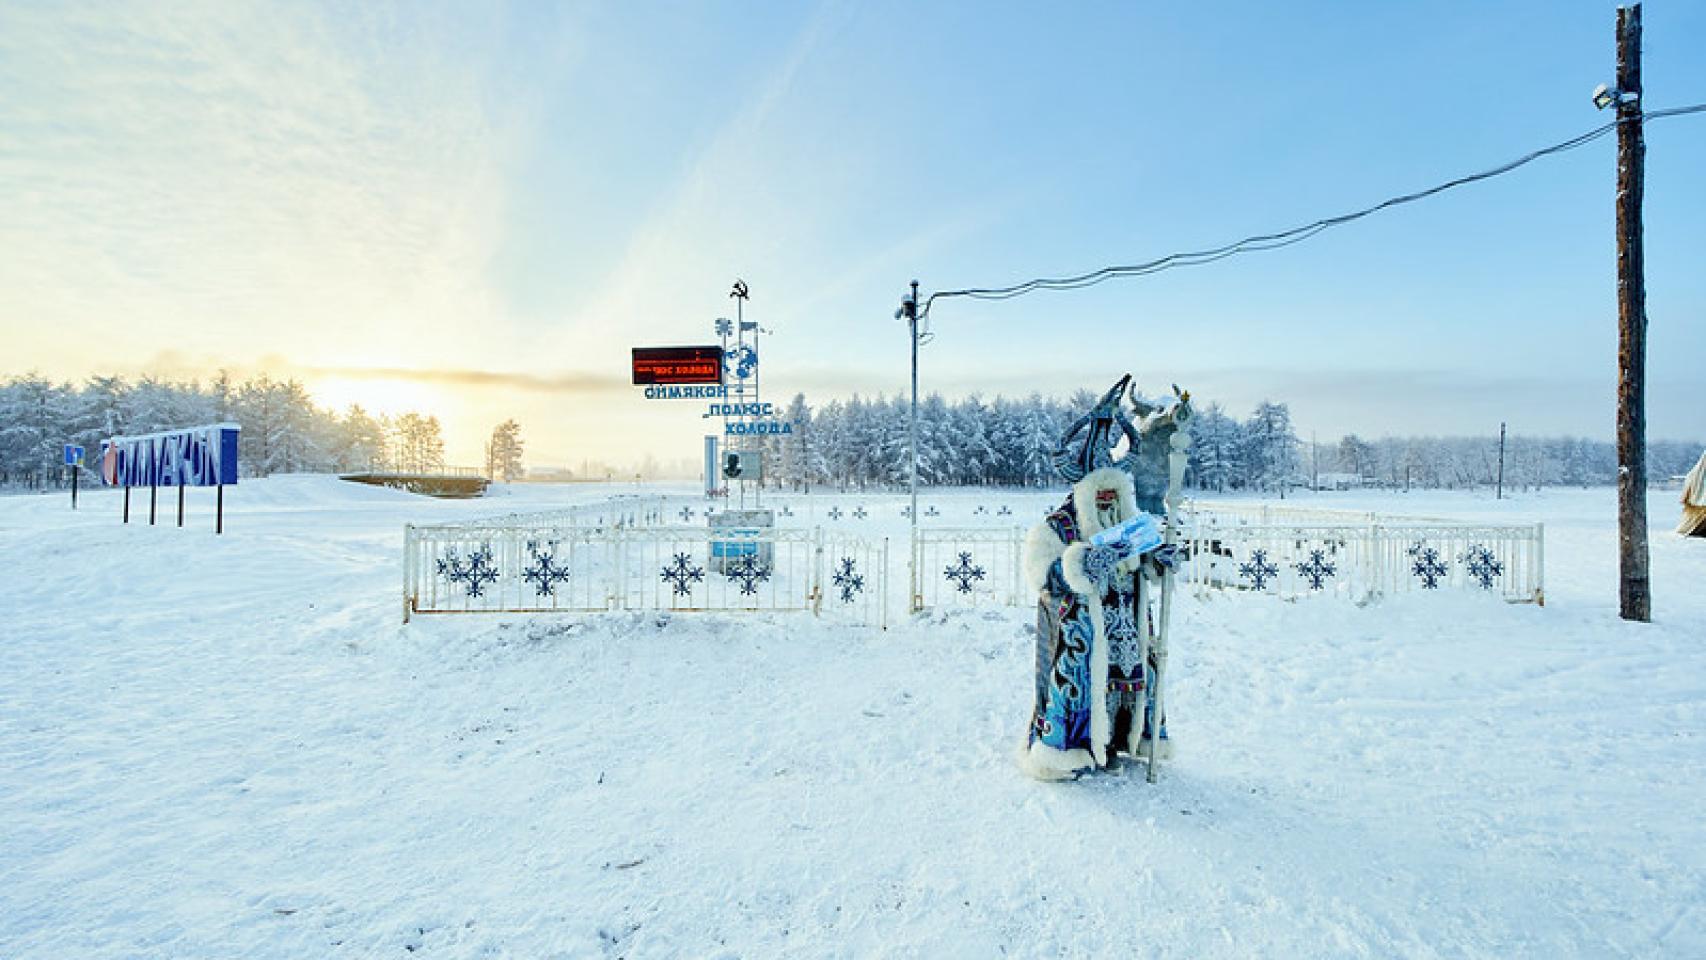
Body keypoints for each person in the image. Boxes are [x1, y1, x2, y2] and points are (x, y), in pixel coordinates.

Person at [1018, 375, 1188, 780]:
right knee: (1080, 683)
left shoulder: (1130, 523)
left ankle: (1117, 740)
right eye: (1102, 497)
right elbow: (1041, 571)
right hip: (1082, 632)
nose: (1109, 503)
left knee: (1128, 679)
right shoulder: (1060, 525)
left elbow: (1140, 565)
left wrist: (1157, 562)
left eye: (1115, 496)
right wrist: (1078, 566)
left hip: (1127, 628)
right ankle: (1068, 751)